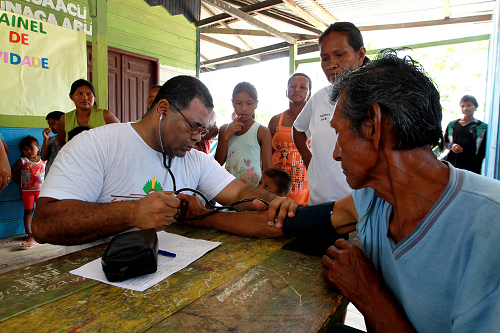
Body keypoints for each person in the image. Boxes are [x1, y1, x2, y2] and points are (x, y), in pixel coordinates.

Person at [179, 52, 500, 332]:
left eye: (338, 133)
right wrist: (202, 217)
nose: (333, 154)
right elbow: (276, 222)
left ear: (373, 126)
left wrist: (369, 294)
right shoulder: (372, 200)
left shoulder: (490, 223)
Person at [32, 75, 297, 252]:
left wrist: (275, 202)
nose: (197, 138)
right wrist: (132, 213)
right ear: (162, 110)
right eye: (193, 126)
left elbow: (239, 192)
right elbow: (44, 224)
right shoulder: (97, 145)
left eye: (203, 131)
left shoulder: (194, 159)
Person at [293, 22, 368, 205]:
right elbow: (298, 129)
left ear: (360, 55)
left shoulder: (374, 99)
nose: (332, 64)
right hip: (319, 202)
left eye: (340, 55)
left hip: (359, 205)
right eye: (325, 58)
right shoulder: (319, 98)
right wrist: (310, 162)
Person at [215, 82, 272, 186]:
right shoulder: (224, 129)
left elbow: (268, 168)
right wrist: (226, 137)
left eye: (249, 103)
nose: (244, 108)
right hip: (229, 188)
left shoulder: (262, 131)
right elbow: (217, 163)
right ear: (232, 103)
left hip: (253, 190)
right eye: (239, 103)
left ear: (256, 104)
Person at [268, 73, 312, 203]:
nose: (297, 89)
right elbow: (267, 152)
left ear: (309, 94)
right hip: (278, 182)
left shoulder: (314, 120)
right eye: (293, 86)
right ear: (286, 92)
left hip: (306, 182)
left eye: (302, 87)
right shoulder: (276, 120)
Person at [57, 79, 120, 148]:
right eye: (80, 94)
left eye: (89, 94)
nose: (85, 98)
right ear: (71, 96)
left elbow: (121, 136)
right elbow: (63, 145)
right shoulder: (65, 120)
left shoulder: (105, 116)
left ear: (94, 97)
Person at [11, 135, 46, 249]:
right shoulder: (23, 161)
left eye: (31, 148)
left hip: (41, 191)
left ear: (38, 147)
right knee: (28, 211)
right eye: (25, 149)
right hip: (27, 192)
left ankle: (40, 231)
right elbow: (13, 174)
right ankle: (28, 233)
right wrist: (21, 183)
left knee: (40, 211)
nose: (29, 151)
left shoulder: (44, 161)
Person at [444, 95, 487, 174]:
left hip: (472, 168)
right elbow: (444, 143)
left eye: (469, 105)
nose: (465, 108)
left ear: (476, 106)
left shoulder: (483, 127)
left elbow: (483, 151)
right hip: (452, 165)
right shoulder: (452, 125)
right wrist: (452, 146)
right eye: (462, 106)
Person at [41, 111, 64, 175]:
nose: (50, 127)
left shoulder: (68, 138)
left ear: (63, 123)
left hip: (63, 172)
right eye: (49, 124)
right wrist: (46, 139)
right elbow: (43, 157)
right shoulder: (51, 139)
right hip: (50, 172)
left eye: (53, 124)